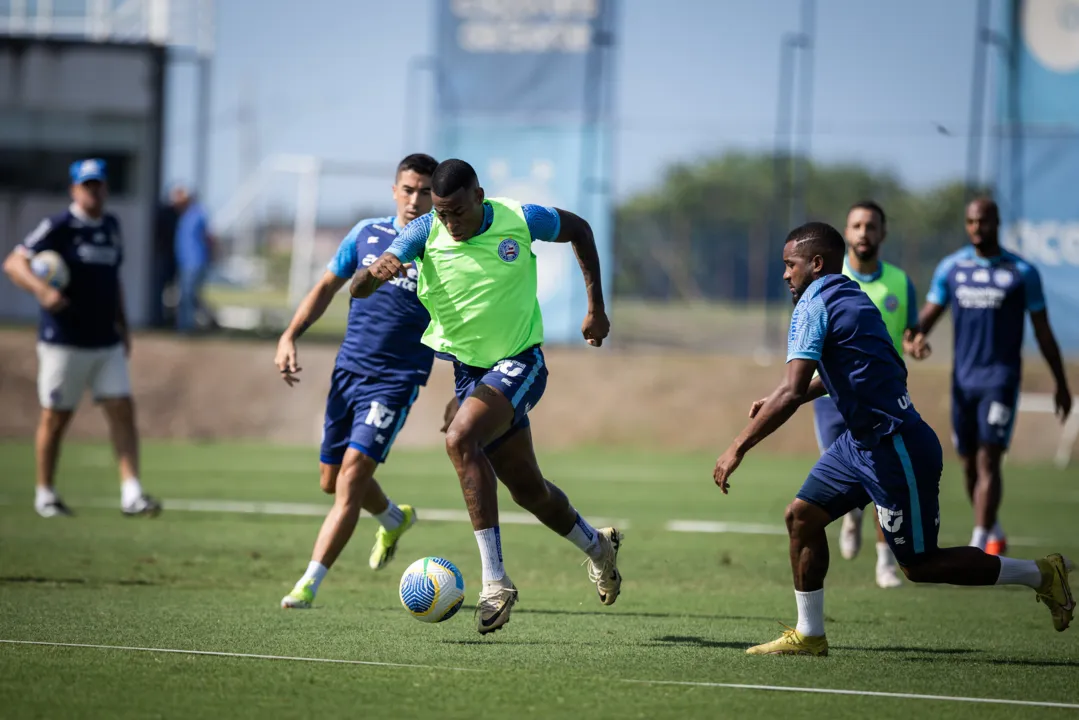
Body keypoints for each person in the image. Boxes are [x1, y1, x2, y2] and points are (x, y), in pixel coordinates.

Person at [712, 221, 1073, 657]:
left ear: (816, 264)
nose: (786, 274)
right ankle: (810, 635)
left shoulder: (815, 303)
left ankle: (1041, 574)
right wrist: (782, 396)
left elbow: (793, 390)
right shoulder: (850, 297)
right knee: (801, 518)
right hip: (860, 445)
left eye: (790, 265)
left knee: (919, 565)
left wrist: (737, 446)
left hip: (895, 446)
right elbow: (839, 375)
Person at [350, 158, 622, 635]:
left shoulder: (520, 218)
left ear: (479, 195)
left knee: (459, 439)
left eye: (456, 211)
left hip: (521, 361)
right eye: (441, 213)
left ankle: (495, 583)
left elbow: (579, 228)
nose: (449, 223)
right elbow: (359, 288)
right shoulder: (422, 233)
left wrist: (595, 307)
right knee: (530, 491)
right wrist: (374, 273)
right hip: (469, 374)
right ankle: (599, 547)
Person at [275, 153, 439, 609]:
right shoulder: (367, 234)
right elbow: (327, 286)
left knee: (349, 479)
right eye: (408, 189)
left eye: (425, 191)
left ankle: (308, 584)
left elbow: (463, 320)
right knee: (330, 480)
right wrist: (289, 335)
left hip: (397, 379)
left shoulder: (443, 247)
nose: (415, 199)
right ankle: (392, 518)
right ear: (394, 191)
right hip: (347, 372)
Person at [2, 159, 161, 519]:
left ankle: (131, 493)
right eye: (86, 185)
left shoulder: (111, 226)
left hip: (106, 340)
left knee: (122, 409)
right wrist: (42, 291)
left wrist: (123, 325)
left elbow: (112, 279)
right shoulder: (60, 226)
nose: (94, 191)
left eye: (99, 184)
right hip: (64, 340)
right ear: (74, 189)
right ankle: (45, 493)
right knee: (56, 416)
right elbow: (14, 263)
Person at [915, 198, 1072, 556]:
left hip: (1000, 380)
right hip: (962, 382)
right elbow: (929, 315)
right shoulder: (952, 268)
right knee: (969, 463)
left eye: (983, 221)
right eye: (970, 221)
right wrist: (914, 336)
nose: (976, 228)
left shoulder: (1021, 272)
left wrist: (1060, 383)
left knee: (989, 459)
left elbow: (1044, 331)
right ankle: (992, 527)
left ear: (997, 223)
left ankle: (979, 540)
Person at [813, 201, 923, 589]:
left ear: (882, 233)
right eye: (856, 226)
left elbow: (911, 332)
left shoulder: (899, 282)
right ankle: (852, 514)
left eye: (871, 226)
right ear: (847, 232)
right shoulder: (828, 276)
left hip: (882, 399)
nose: (863, 233)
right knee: (839, 463)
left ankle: (884, 564)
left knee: (882, 477)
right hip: (832, 397)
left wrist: (915, 343)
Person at [173, 187, 213, 333]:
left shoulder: (198, 214)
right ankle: (191, 325)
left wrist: (210, 258)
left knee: (188, 296)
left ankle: (187, 327)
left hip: (195, 262)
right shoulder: (184, 215)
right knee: (188, 296)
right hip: (185, 262)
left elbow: (208, 237)